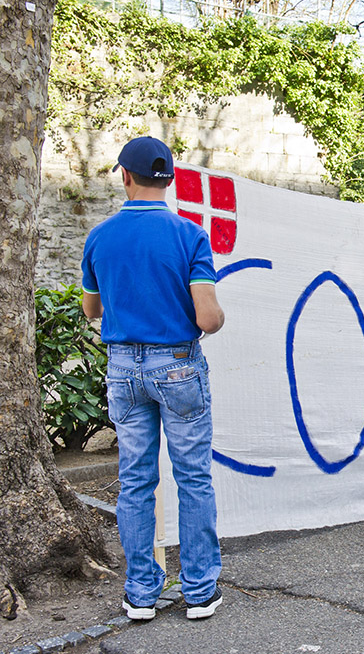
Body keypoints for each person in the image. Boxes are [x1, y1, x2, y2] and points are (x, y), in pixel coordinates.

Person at [81, 136, 225, 620]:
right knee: (193, 478)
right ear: (169, 179)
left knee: (135, 481)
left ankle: (141, 592)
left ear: (125, 176)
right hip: (178, 366)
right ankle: (199, 590)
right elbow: (208, 319)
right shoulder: (190, 236)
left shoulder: (99, 237)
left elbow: (92, 309)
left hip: (123, 368)